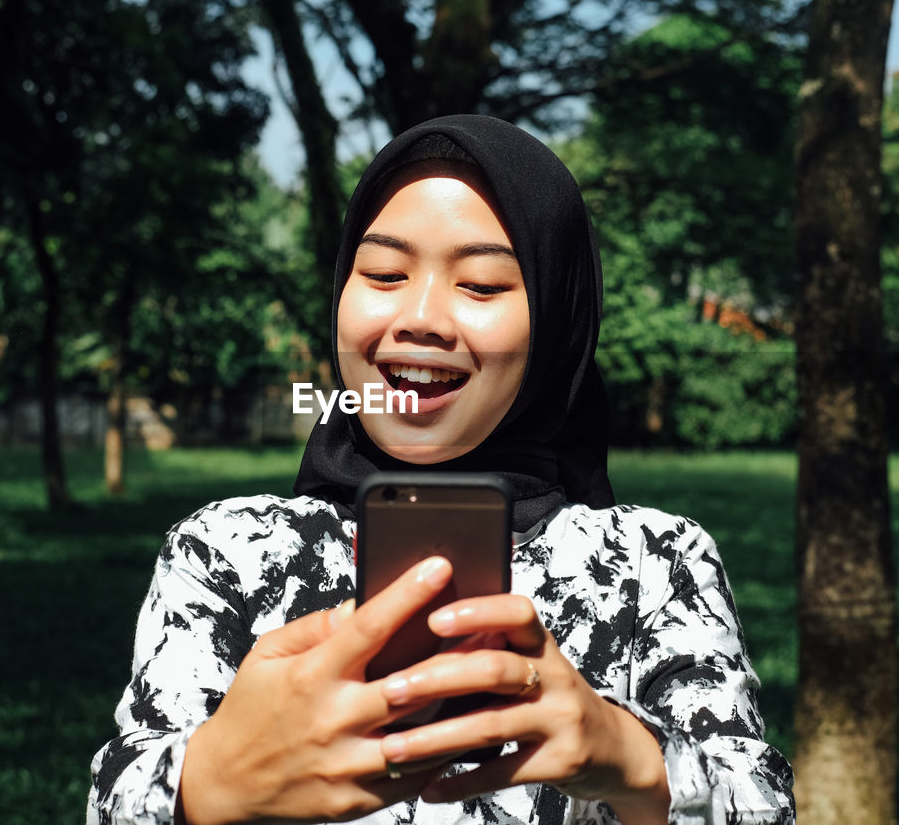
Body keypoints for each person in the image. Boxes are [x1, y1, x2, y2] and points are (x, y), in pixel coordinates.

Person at [88, 115, 795, 825]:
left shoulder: (656, 564)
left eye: (483, 285)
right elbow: (116, 794)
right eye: (385, 273)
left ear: (556, 321)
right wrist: (209, 781)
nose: (421, 317)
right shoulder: (224, 552)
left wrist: (629, 758)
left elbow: (762, 803)